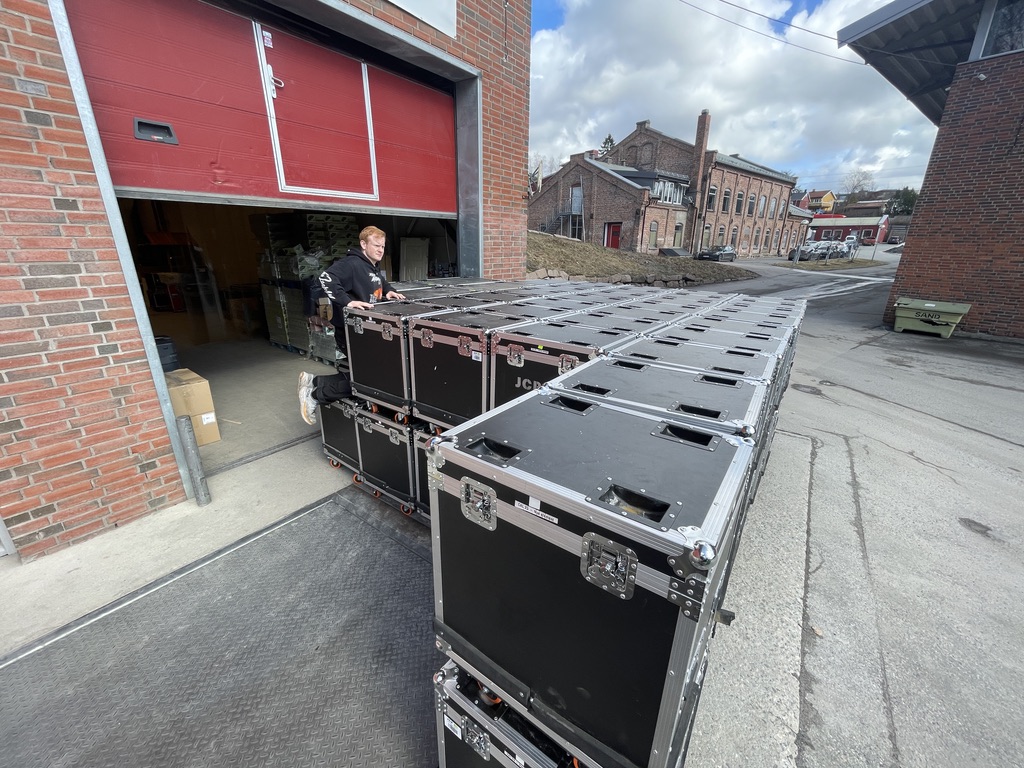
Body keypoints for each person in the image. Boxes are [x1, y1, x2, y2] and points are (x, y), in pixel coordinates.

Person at [297, 226, 405, 425]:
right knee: (371, 381)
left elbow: (378, 281)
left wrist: (388, 290)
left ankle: (314, 381)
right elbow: (326, 278)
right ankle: (315, 396)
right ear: (363, 244)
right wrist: (347, 302)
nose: (380, 250)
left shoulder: (370, 265)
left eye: (382, 246)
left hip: (365, 332)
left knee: (368, 374)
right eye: (376, 245)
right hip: (351, 332)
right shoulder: (352, 264)